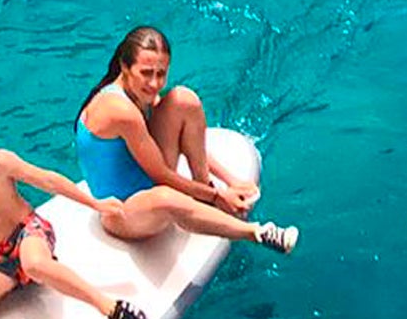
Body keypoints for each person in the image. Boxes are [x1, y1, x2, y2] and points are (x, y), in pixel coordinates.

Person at [0, 94, 151, 319]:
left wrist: (95, 204)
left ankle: (111, 308)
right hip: (4, 252)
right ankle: (20, 276)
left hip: (30, 231)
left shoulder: (0, 162)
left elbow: (48, 180)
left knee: (34, 263)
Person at [76, 25, 299, 253]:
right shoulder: (119, 109)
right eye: (146, 73)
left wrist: (229, 180)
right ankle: (257, 233)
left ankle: (202, 185)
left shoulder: (138, 93)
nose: (154, 83)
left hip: (146, 185)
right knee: (166, 197)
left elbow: (186, 141)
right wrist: (218, 197)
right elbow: (161, 174)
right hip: (123, 213)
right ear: (125, 66)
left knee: (183, 99)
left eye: (161, 74)